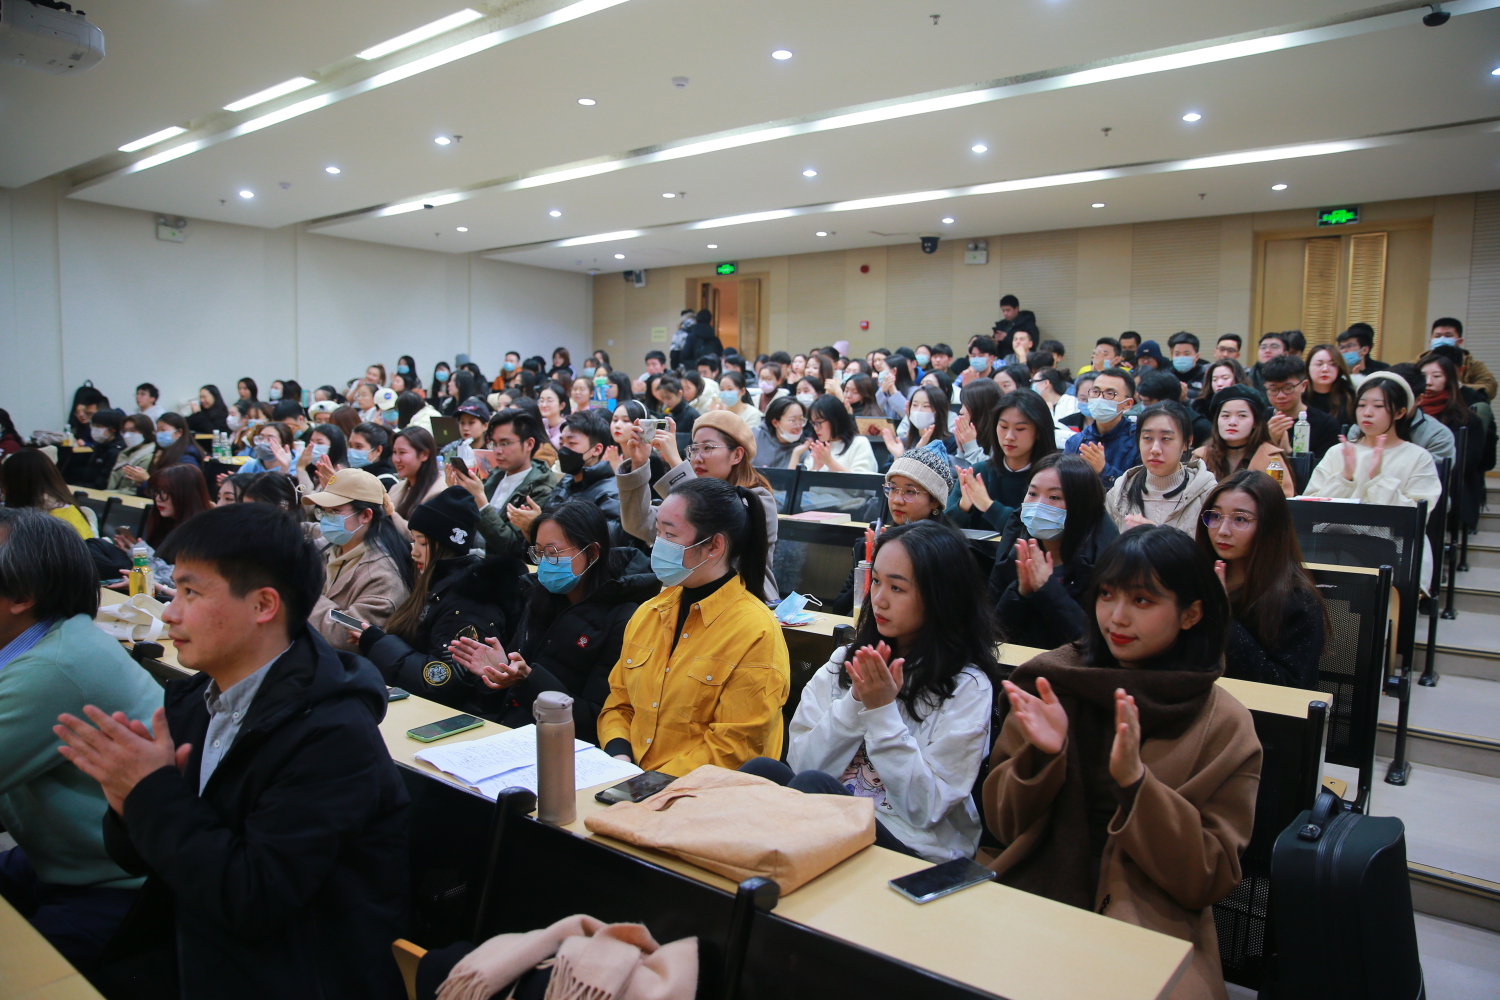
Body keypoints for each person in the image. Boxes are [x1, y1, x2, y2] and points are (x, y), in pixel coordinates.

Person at [56, 503, 410, 1000]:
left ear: (263, 605)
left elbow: (253, 901)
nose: (170, 612)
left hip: (293, 975)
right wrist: (126, 800)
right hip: (191, 945)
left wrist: (150, 793)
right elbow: (138, 859)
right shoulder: (196, 697)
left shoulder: (333, 735)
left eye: (191, 592)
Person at [983, 525, 1259, 1000]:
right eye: (1107, 595)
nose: (1117, 617)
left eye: (1142, 601)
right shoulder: (1053, 682)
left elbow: (1208, 878)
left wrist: (1136, 784)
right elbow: (1003, 826)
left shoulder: (1224, 723)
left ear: (1191, 614)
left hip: (1151, 916)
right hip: (1033, 887)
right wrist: (1042, 757)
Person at [737, 521, 1001, 862]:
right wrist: (856, 701)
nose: (879, 599)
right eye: (876, 581)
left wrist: (881, 712)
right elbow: (802, 765)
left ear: (940, 596)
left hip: (911, 846)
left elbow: (926, 809)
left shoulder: (967, 686)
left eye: (897, 588)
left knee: (814, 790)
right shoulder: (844, 661)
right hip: (831, 819)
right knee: (763, 772)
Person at [0, 509, 163, 969]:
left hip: (119, 886)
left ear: (23, 596)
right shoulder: (48, 640)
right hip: (62, 858)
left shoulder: (54, 668)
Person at [596, 478, 790, 774]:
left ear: (714, 545)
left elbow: (734, 748)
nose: (658, 545)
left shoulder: (755, 631)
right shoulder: (650, 613)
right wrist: (619, 757)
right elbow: (619, 703)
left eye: (670, 534)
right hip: (627, 777)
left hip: (698, 792)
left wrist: (646, 784)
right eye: (658, 532)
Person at [453, 501, 658, 744]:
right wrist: (500, 672)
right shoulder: (539, 596)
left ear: (592, 553)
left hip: (565, 747)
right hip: (514, 733)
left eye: (553, 552)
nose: (544, 562)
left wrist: (527, 680)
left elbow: (597, 719)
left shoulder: (623, 618)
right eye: (539, 552)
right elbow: (509, 693)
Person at [351, 487, 527, 709]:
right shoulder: (439, 586)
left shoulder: (468, 603)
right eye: (413, 541)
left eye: (423, 543)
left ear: (446, 545)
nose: (414, 552)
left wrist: (380, 645)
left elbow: (441, 679)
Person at [618, 409, 781, 602]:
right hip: (691, 600)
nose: (697, 458)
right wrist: (639, 464)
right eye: (694, 449)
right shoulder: (688, 495)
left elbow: (711, 517)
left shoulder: (758, 500)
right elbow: (638, 522)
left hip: (746, 602)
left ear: (737, 455)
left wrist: (675, 461)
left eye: (707, 448)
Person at [1197, 471, 1325, 689]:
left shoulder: (1297, 600)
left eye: (1240, 519)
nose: (1223, 531)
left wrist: (1223, 617)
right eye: (1216, 516)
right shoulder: (1198, 578)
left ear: (1269, 526)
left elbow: (1285, 688)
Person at [1302, 374, 1443, 565]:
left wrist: (1378, 478)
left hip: (1395, 555)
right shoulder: (1338, 452)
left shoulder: (1418, 457)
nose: (1367, 413)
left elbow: (1416, 518)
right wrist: (1345, 478)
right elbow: (1311, 509)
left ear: (1400, 412)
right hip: (1333, 547)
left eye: (1378, 406)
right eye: (1361, 405)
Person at [990, 454, 1118, 648]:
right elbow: (995, 633)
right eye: (1033, 493)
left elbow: (1094, 644)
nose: (1038, 505)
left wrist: (1047, 588)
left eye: (1054, 497)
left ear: (1082, 505)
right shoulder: (1014, 548)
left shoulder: (1105, 562)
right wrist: (1020, 592)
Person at [830, 448, 961, 616]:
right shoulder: (875, 542)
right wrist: (872, 563)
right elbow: (841, 609)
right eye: (892, 489)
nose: (897, 500)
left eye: (910, 492)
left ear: (934, 500)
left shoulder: (947, 551)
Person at [304, 469, 414, 651]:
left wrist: (302, 593)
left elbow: (344, 636)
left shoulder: (383, 577)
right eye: (323, 511)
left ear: (365, 515)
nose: (326, 519)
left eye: (334, 511)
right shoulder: (334, 547)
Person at [450, 408, 557, 559]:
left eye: (505, 443)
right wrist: (456, 494)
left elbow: (512, 548)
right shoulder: (495, 476)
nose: (497, 451)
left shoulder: (541, 489)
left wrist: (480, 502)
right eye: (494, 444)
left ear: (529, 444)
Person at [949, 390, 1057, 532]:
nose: (1009, 436)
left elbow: (1037, 530)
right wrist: (963, 505)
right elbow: (943, 527)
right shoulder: (977, 473)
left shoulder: (1051, 479)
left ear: (1038, 431)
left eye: (1020, 429)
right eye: (1003, 427)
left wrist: (988, 506)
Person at [509, 409, 623, 543]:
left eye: (572, 443)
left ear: (596, 449)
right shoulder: (566, 482)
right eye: (562, 444)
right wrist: (530, 532)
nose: (563, 450)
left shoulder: (611, 493)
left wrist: (539, 526)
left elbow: (605, 543)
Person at [1105, 402, 1216, 534]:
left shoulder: (1207, 494)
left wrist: (1159, 536)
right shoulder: (1120, 493)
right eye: (1147, 438)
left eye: (1166, 439)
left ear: (1187, 442)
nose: (1155, 449)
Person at [1419, 353, 1486, 531]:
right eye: (1423, 376)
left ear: (1449, 381)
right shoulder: (1404, 415)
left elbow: (1468, 462)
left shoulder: (1467, 419)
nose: (1428, 382)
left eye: (1436, 376)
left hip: (1450, 484)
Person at [1193, 386, 1295, 498]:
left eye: (1242, 416)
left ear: (1255, 422)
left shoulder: (1271, 457)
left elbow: (1284, 499)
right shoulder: (1201, 456)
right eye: (1225, 416)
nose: (1232, 422)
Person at [1259, 356, 1340, 475]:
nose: (1281, 395)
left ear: (1303, 386)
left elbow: (1325, 472)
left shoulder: (1326, 424)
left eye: (1288, 388)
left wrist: (1288, 453)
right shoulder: (1258, 419)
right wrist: (1270, 443)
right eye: (1273, 389)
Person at [1065, 368, 1140, 489]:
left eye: (1110, 394)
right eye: (1095, 391)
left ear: (1127, 404)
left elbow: (1140, 489)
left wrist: (1104, 470)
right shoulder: (1076, 441)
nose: (1100, 398)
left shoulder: (1139, 442)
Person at [0, 450, 95, 539]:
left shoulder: (61, 522)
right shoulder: (40, 513)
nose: (3, 491)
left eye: (4, 483)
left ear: (21, 486)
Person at [795, 394, 877, 473]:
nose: (815, 428)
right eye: (813, 423)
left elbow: (862, 480)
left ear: (835, 420)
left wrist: (829, 462)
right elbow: (805, 480)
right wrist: (815, 468)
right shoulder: (817, 447)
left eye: (819, 423)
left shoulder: (859, 443)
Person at [388, 427, 444, 535]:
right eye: (394, 452)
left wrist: (391, 515)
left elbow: (424, 536)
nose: (396, 459)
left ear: (424, 454)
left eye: (402, 452)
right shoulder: (396, 488)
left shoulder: (440, 493)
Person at [1430, 317, 1497, 401]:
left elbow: (1489, 388)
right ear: (1430, 340)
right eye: (1437, 336)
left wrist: (1456, 387)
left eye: (1448, 336)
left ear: (1459, 341)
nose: (1442, 339)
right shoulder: (1419, 363)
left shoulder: (1473, 365)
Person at [883, 384, 953, 460]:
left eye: (926, 406)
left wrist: (919, 454)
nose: (918, 410)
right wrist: (898, 457)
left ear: (939, 411)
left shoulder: (951, 443)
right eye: (915, 405)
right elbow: (889, 467)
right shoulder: (902, 444)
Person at [71, 409, 127, 490]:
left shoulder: (115, 452)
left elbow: (101, 483)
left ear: (112, 430)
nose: (94, 429)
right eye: (93, 425)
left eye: (98, 426)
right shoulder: (100, 445)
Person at [1304, 344, 1357, 427]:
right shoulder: (1298, 395)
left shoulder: (1349, 396)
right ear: (1308, 367)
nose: (1325, 369)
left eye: (1332, 364)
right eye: (1319, 364)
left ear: (1339, 368)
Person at [753, 395, 806, 470]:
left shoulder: (803, 450)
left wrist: (796, 454)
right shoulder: (754, 437)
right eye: (792, 420)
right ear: (775, 422)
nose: (798, 426)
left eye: (801, 419)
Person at [106, 414, 157, 491]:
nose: (127, 435)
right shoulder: (125, 452)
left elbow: (134, 489)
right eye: (125, 431)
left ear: (145, 431)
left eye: (132, 430)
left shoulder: (149, 455)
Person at [348, 422, 400, 490]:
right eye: (350, 446)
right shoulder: (353, 476)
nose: (352, 451)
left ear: (378, 450)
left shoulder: (387, 483)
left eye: (358, 446)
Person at [1167, 332, 1208, 397]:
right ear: (1172, 356)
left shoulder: (1206, 377)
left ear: (1196, 356)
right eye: (1177, 354)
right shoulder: (1165, 377)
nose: (1181, 357)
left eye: (1186, 354)